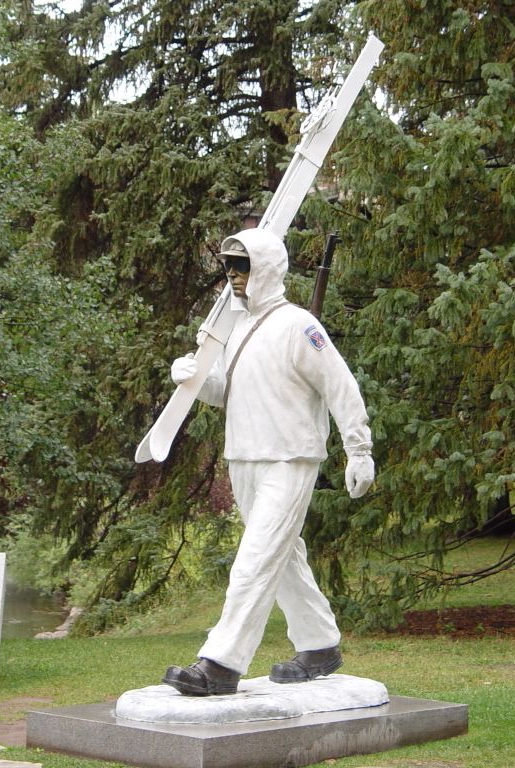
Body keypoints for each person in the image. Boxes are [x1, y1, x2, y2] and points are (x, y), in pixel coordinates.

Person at [162, 227, 374, 697]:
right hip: (244, 456)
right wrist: (195, 378)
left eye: (243, 266)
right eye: (228, 267)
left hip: (289, 457)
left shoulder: (300, 326)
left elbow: (341, 388)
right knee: (285, 557)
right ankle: (320, 644)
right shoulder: (234, 329)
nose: (233, 276)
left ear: (267, 268)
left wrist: (359, 450)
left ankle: (220, 663)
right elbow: (228, 391)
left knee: (254, 561)